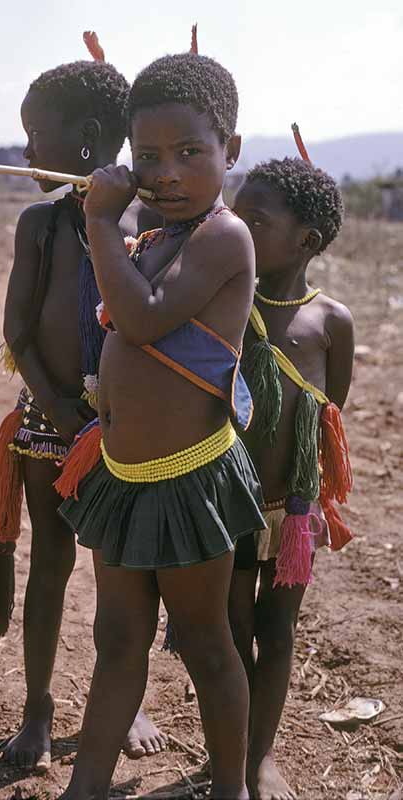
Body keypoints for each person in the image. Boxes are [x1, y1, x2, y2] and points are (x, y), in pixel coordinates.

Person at [0, 36, 165, 771]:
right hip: (48, 427)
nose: (27, 146)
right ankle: (36, 708)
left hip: (128, 432)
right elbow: (16, 332)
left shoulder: (148, 224)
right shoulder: (40, 225)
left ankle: (120, 701)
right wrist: (66, 414)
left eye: (38, 133)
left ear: (88, 139)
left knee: (122, 573)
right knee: (51, 562)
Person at [55, 52, 266, 800]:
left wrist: (100, 220)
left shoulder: (221, 237)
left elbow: (141, 320)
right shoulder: (151, 236)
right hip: (125, 477)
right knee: (117, 640)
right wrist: (115, 227)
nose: (167, 172)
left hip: (187, 479)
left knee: (207, 642)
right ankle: (83, 788)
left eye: (189, 153)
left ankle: (230, 789)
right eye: (147, 157)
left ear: (229, 152)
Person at [230, 156, 355, 800]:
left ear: (306, 239)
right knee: (228, 630)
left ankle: (259, 757)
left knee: (277, 630)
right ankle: (226, 751)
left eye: (255, 219)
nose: (236, 225)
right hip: (222, 499)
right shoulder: (223, 297)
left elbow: (331, 415)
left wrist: (308, 497)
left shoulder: (330, 322)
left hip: (293, 509)